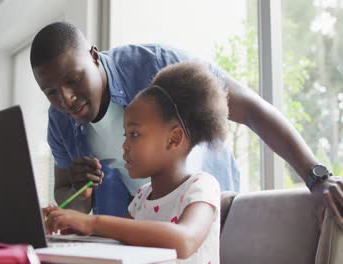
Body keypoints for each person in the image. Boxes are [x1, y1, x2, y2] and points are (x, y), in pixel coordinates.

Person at [31, 22, 343, 225]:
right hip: (139, 227)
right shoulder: (60, 121)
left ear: (94, 57)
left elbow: (250, 109)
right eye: (51, 92)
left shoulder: (156, 65)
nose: (66, 99)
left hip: (209, 217)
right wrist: (79, 194)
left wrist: (316, 176)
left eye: (74, 80)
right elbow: (68, 195)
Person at [46, 62, 226, 262]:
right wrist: (75, 228)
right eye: (126, 135)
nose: (124, 145)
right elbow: (121, 237)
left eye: (134, 134)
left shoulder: (201, 187)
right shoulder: (143, 196)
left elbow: (184, 241)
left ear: (174, 138)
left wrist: (92, 222)